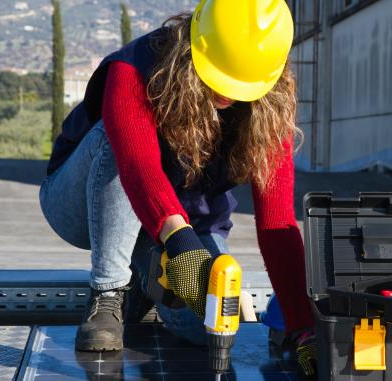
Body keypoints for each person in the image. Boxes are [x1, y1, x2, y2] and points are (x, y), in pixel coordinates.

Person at [39, 0, 317, 376]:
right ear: (195, 45)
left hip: (175, 223)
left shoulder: (270, 105)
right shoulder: (134, 69)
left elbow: (277, 222)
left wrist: (304, 328)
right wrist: (180, 242)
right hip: (83, 202)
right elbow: (138, 169)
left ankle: (144, 281)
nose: (229, 93)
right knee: (112, 136)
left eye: (241, 84)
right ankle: (107, 294)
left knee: (213, 324)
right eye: (220, 75)